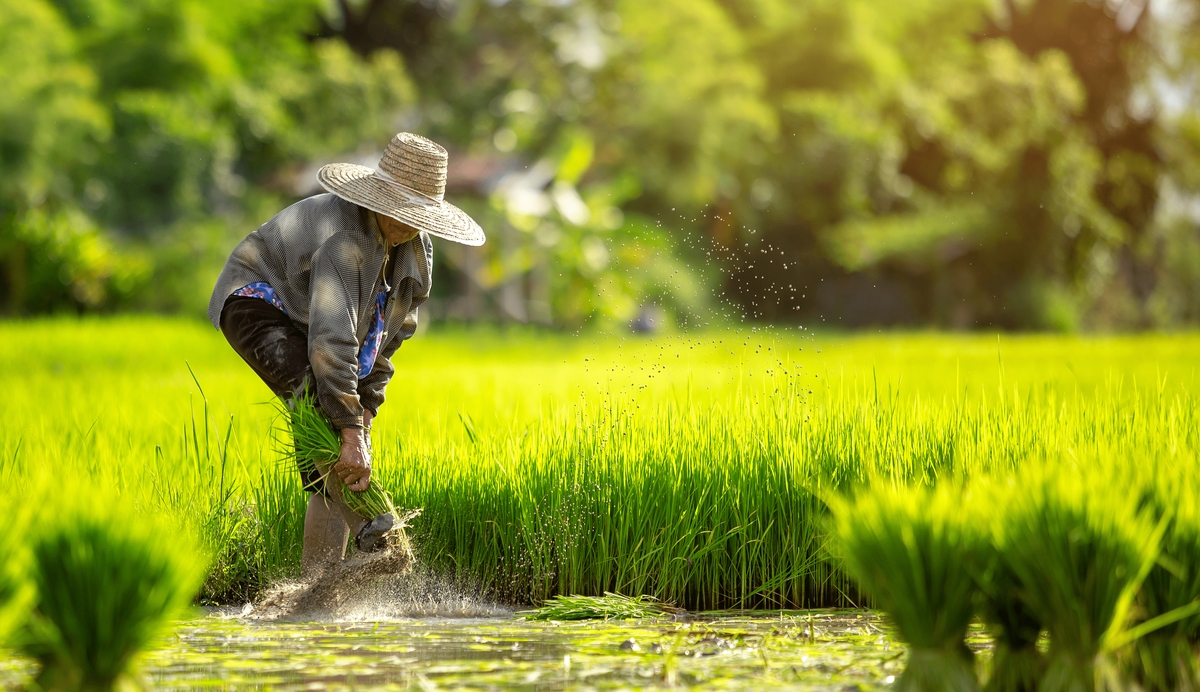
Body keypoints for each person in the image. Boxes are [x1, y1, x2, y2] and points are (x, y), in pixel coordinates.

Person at [207, 132, 485, 578]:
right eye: (399, 211)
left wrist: (367, 409)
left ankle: (317, 590)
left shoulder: (414, 251)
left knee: (327, 455)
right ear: (378, 200)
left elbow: (389, 336)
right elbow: (331, 340)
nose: (407, 222)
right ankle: (376, 534)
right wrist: (351, 429)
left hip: (316, 322)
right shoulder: (344, 239)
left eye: (417, 216)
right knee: (328, 417)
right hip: (259, 301)